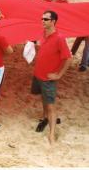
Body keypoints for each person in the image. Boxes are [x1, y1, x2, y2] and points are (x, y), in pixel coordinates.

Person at [31, 10, 72, 144]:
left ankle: (52, 134)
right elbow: (43, 49)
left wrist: (59, 75)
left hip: (49, 78)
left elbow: (68, 59)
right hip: (38, 74)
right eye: (42, 18)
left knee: (51, 106)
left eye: (46, 19)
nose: (42, 21)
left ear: (53, 21)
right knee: (43, 98)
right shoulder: (43, 33)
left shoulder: (59, 38)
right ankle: (45, 118)